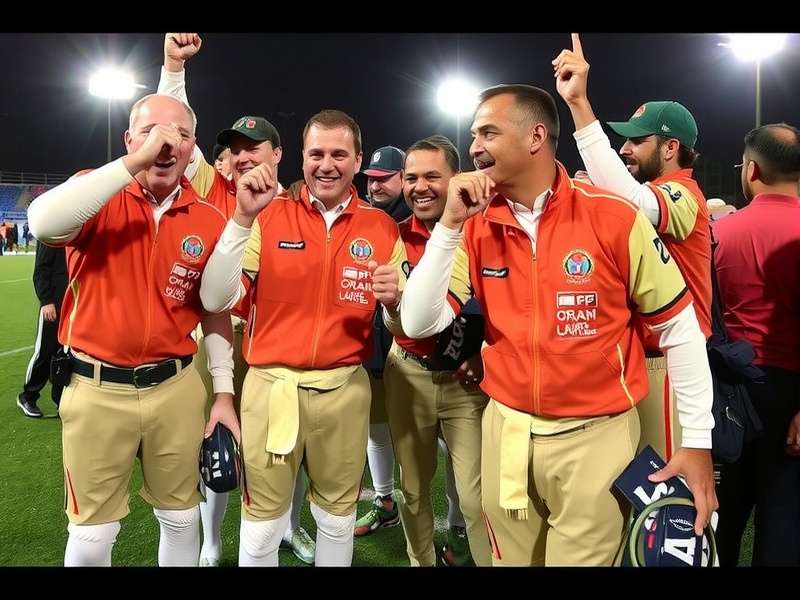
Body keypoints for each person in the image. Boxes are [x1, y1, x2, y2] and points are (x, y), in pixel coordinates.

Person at [399, 83, 716, 566]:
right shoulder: (475, 225)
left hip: (597, 435)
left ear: (535, 137)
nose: (474, 147)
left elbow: (681, 327)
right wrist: (448, 226)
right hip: (504, 430)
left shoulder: (612, 216)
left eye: (488, 132)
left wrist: (696, 442)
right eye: (473, 135)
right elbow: (420, 322)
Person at [26, 92, 240, 567]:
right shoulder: (94, 191)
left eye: (181, 135)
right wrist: (134, 162)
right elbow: (42, 223)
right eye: (150, 132)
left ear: (194, 149)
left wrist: (223, 393)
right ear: (128, 140)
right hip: (95, 386)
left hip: (177, 386)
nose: (166, 143)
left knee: (181, 519)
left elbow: (215, 310)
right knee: (92, 536)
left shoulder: (209, 216)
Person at [199, 108, 407, 567]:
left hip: (344, 390)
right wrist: (239, 219)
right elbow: (216, 299)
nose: (326, 164)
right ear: (301, 157)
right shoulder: (266, 215)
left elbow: (402, 327)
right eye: (316, 153)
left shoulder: (382, 227)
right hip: (271, 387)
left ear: (357, 161)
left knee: (335, 519)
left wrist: (394, 303)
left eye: (339, 154)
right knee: (261, 528)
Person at [157, 32, 314, 566]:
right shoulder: (213, 187)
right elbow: (169, 130)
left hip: (276, 346)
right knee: (219, 441)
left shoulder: (298, 202)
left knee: (283, 446)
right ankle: (212, 538)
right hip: (219, 338)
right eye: (236, 148)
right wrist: (173, 68)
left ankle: (290, 527)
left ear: (278, 154)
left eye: (255, 148)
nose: (244, 156)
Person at [553, 33, 712, 463]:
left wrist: (579, 107)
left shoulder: (684, 193)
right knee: (635, 490)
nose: (624, 147)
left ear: (671, 147)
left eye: (636, 140)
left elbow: (634, 199)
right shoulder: (652, 190)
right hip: (637, 358)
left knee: (668, 494)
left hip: (669, 359)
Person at [378, 134, 492, 566]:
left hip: (468, 382)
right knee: (413, 489)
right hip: (408, 373)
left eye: (432, 176)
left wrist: (483, 352)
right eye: (410, 178)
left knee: (478, 495)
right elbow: (398, 324)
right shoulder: (392, 233)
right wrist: (389, 307)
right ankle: (419, 560)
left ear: (456, 179)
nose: (419, 187)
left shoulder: (483, 231)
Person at [713, 123, 800, 567]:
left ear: (750, 170)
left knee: (727, 506)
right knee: (783, 511)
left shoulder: (720, 233)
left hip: (732, 388)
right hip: (792, 392)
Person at [355, 146, 408, 538]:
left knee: (437, 437)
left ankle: (457, 525)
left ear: (403, 178)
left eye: (384, 179)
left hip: (417, 352)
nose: (375, 186)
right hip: (373, 346)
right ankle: (384, 501)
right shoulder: (362, 220)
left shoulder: (419, 220)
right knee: (377, 428)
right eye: (371, 179)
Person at [16, 242, 68, 417]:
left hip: (74, 304)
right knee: (45, 352)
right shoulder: (52, 231)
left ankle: (60, 400)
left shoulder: (78, 228)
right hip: (53, 304)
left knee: (67, 353)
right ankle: (28, 396)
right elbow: (41, 268)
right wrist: (46, 300)